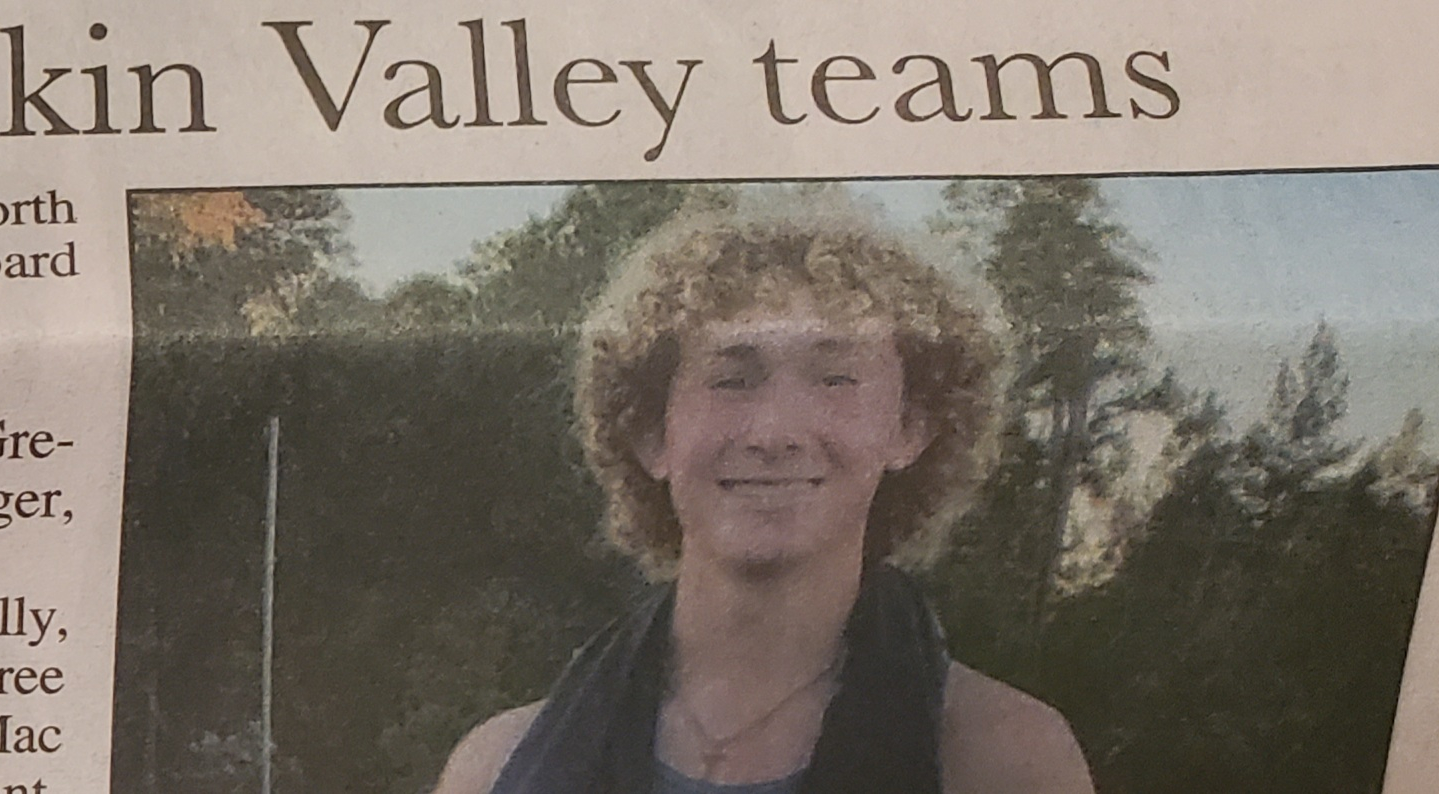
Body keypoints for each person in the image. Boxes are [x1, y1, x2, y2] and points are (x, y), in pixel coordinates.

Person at [433, 207, 1095, 794]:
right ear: (651, 434)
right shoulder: (494, 769)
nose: (774, 433)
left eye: (835, 378)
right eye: (732, 380)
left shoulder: (1006, 760)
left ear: (910, 429)